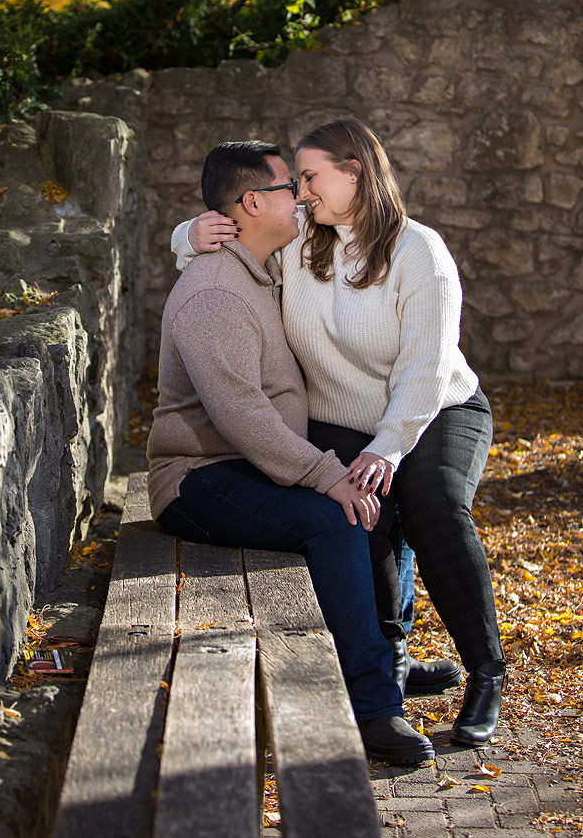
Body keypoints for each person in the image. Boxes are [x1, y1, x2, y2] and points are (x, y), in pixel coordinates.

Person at [177, 119, 505, 748]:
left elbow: (424, 368)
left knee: (433, 502)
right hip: (341, 420)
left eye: (310, 176)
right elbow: (242, 229)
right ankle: (390, 667)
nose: (299, 193)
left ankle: (486, 670)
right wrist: (189, 235)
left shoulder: (420, 252)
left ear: (354, 171)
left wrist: (389, 446)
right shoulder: (303, 244)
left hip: (436, 408)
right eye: (294, 181)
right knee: (363, 514)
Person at [149, 139, 434, 765]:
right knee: (335, 519)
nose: (302, 198)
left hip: (250, 462)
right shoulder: (214, 294)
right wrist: (323, 476)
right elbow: (241, 416)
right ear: (252, 202)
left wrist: (183, 234)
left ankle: (387, 664)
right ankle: (373, 710)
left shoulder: (269, 262)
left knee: (377, 496)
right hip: (197, 476)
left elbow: (331, 210)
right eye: (289, 188)